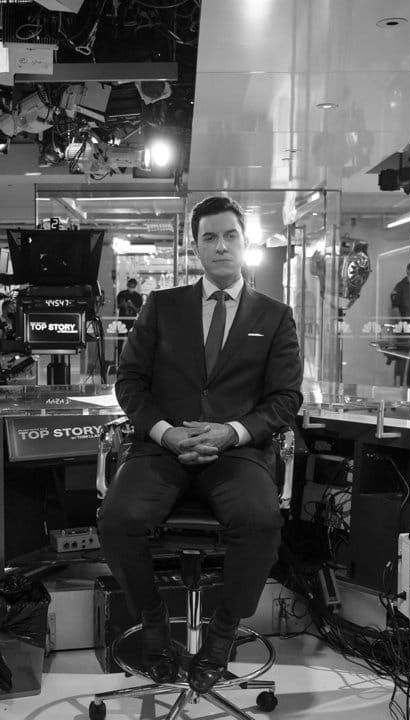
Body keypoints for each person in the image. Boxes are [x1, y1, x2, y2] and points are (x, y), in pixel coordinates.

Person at [98, 195, 303, 694]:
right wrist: (166, 432)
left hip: (237, 453)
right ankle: (152, 622)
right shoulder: (161, 306)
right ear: (195, 247)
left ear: (245, 242)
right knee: (117, 519)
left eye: (230, 235)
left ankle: (221, 634)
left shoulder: (275, 316)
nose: (221, 246)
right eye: (209, 237)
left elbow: (285, 398)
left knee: (261, 522)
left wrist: (231, 431)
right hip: (162, 449)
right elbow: (130, 382)